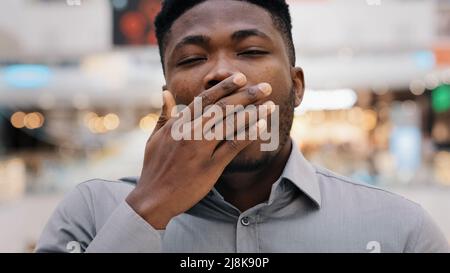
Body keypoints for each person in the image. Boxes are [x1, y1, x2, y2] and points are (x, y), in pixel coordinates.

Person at [36, 0, 449, 253]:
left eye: (250, 50)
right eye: (192, 59)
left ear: (297, 86)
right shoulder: (91, 215)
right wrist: (150, 207)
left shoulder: (398, 230)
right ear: (168, 97)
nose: (223, 74)